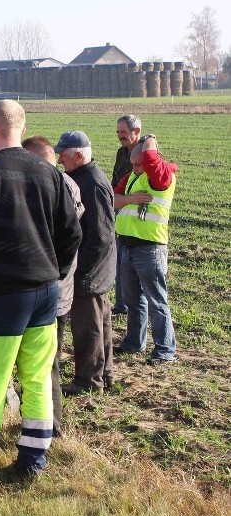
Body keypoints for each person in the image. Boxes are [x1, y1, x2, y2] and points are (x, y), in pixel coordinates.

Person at [0, 100, 81, 479]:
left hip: (3, 295)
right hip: (45, 292)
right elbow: (72, 232)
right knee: (38, 377)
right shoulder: (50, 172)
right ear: (21, 128)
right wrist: (54, 272)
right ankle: (32, 461)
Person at [22, 135, 84, 434]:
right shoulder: (64, 185)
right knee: (44, 364)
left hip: (51, 293)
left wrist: (52, 274)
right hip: (55, 289)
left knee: (46, 365)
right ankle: (42, 423)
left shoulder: (56, 187)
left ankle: (50, 426)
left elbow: (68, 239)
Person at [55, 131, 117, 394]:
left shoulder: (91, 183)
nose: (59, 161)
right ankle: (105, 373)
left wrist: (81, 268)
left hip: (90, 269)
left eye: (64, 156)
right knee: (100, 322)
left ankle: (88, 381)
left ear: (79, 155)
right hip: (97, 268)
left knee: (87, 326)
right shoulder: (86, 177)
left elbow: (101, 235)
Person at [113, 134, 178, 365]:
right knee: (133, 301)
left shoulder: (160, 176)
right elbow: (113, 199)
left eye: (139, 163)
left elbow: (151, 158)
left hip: (150, 247)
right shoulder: (133, 177)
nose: (136, 168)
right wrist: (130, 199)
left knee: (156, 301)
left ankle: (164, 350)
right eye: (133, 164)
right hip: (128, 245)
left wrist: (150, 138)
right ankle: (134, 343)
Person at [111, 115, 143, 315]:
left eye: (123, 132)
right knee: (118, 258)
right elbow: (115, 180)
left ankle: (134, 305)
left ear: (136, 131)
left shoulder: (146, 155)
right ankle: (121, 304)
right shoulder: (121, 153)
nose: (120, 136)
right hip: (119, 208)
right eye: (118, 132)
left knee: (132, 261)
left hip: (138, 214)